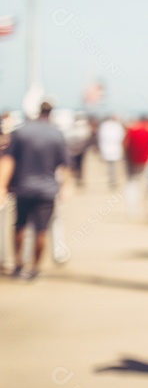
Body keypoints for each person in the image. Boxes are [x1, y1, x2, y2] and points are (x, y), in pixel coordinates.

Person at [0, 101, 71, 280]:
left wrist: (2, 185)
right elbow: (65, 165)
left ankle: (18, 264)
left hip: (23, 188)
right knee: (42, 230)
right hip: (47, 190)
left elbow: (8, 160)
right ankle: (35, 267)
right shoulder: (56, 134)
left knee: (20, 227)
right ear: (51, 113)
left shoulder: (21, 132)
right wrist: (66, 187)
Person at [123, 115, 148, 219]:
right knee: (147, 187)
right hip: (147, 162)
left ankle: (134, 210)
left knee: (133, 185)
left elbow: (125, 145)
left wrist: (128, 160)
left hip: (133, 162)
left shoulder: (131, 131)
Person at [96, 114, 125, 190]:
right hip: (113, 148)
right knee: (112, 166)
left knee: (111, 166)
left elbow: (100, 137)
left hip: (109, 148)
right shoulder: (116, 126)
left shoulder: (105, 126)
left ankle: (112, 180)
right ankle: (112, 180)